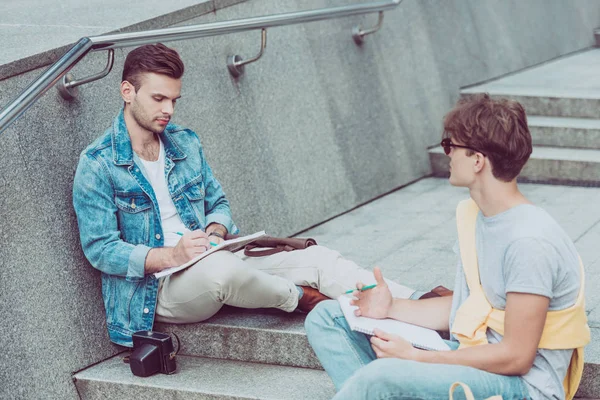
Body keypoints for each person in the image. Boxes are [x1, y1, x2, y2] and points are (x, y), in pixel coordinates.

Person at [72, 43, 418, 348]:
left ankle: (417, 303)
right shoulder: (98, 163)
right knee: (221, 271)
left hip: (217, 254)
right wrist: (171, 256)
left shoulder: (184, 143)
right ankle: (300, 299)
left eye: (174, 100)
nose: (169, 110)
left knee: (321, 260)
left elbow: (219, 205)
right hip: (158, 290)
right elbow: (101, 250)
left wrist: (215, 232)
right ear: (127, 91)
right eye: (158, 99)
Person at [305, 94, 590, 400]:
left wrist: (418, 358)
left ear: (477, 160)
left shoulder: (529, 242)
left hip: (524, 388)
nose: (447, 155)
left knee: (382, 376)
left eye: (450, 146)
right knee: (327, 317)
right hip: (476, 353)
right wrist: (390, 308)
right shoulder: (481, 216)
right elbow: (471, 307)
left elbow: (516, 357)